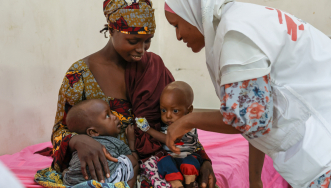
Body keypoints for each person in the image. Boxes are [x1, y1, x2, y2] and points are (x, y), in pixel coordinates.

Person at [35, 0, 216, 187]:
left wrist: (203, 160)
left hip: (158, 165)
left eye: (147, 40)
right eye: (133, 41)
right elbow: (59, 132)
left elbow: (179, 119)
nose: (141, 49)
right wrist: (77, 140)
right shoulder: (79, 75)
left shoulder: (154, 69)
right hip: (105, 172)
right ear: (111, 30)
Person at [163, 0, 331, 188]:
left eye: (176, 25)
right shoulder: (244, 21)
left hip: (326, 153)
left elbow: (249, 120)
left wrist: (189, 120)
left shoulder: (236, 32)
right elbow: (255, 122)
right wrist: (254, 180)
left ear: (191, 13)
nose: (178, 36)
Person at [136, 81, 203, 188]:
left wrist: (148, 129)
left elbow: (170, 139)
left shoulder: (187, 126)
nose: (168, 116)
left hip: (188, 156)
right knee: (163, 162)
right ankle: (176, 184)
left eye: (175, 111)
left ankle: (189, 183)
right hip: (172, 159)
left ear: (189, 110)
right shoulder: (164, 125)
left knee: (190, 162)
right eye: (163, 110)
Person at [62, 99, 138, 187]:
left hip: (74, 182)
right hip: (107, 179)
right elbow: (133, 158)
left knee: (68, 171)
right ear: (93, 131)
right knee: (132, 160)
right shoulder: (114, 141)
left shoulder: (80, 148)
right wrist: (131, 142)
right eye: (107, 115)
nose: (115, 117)